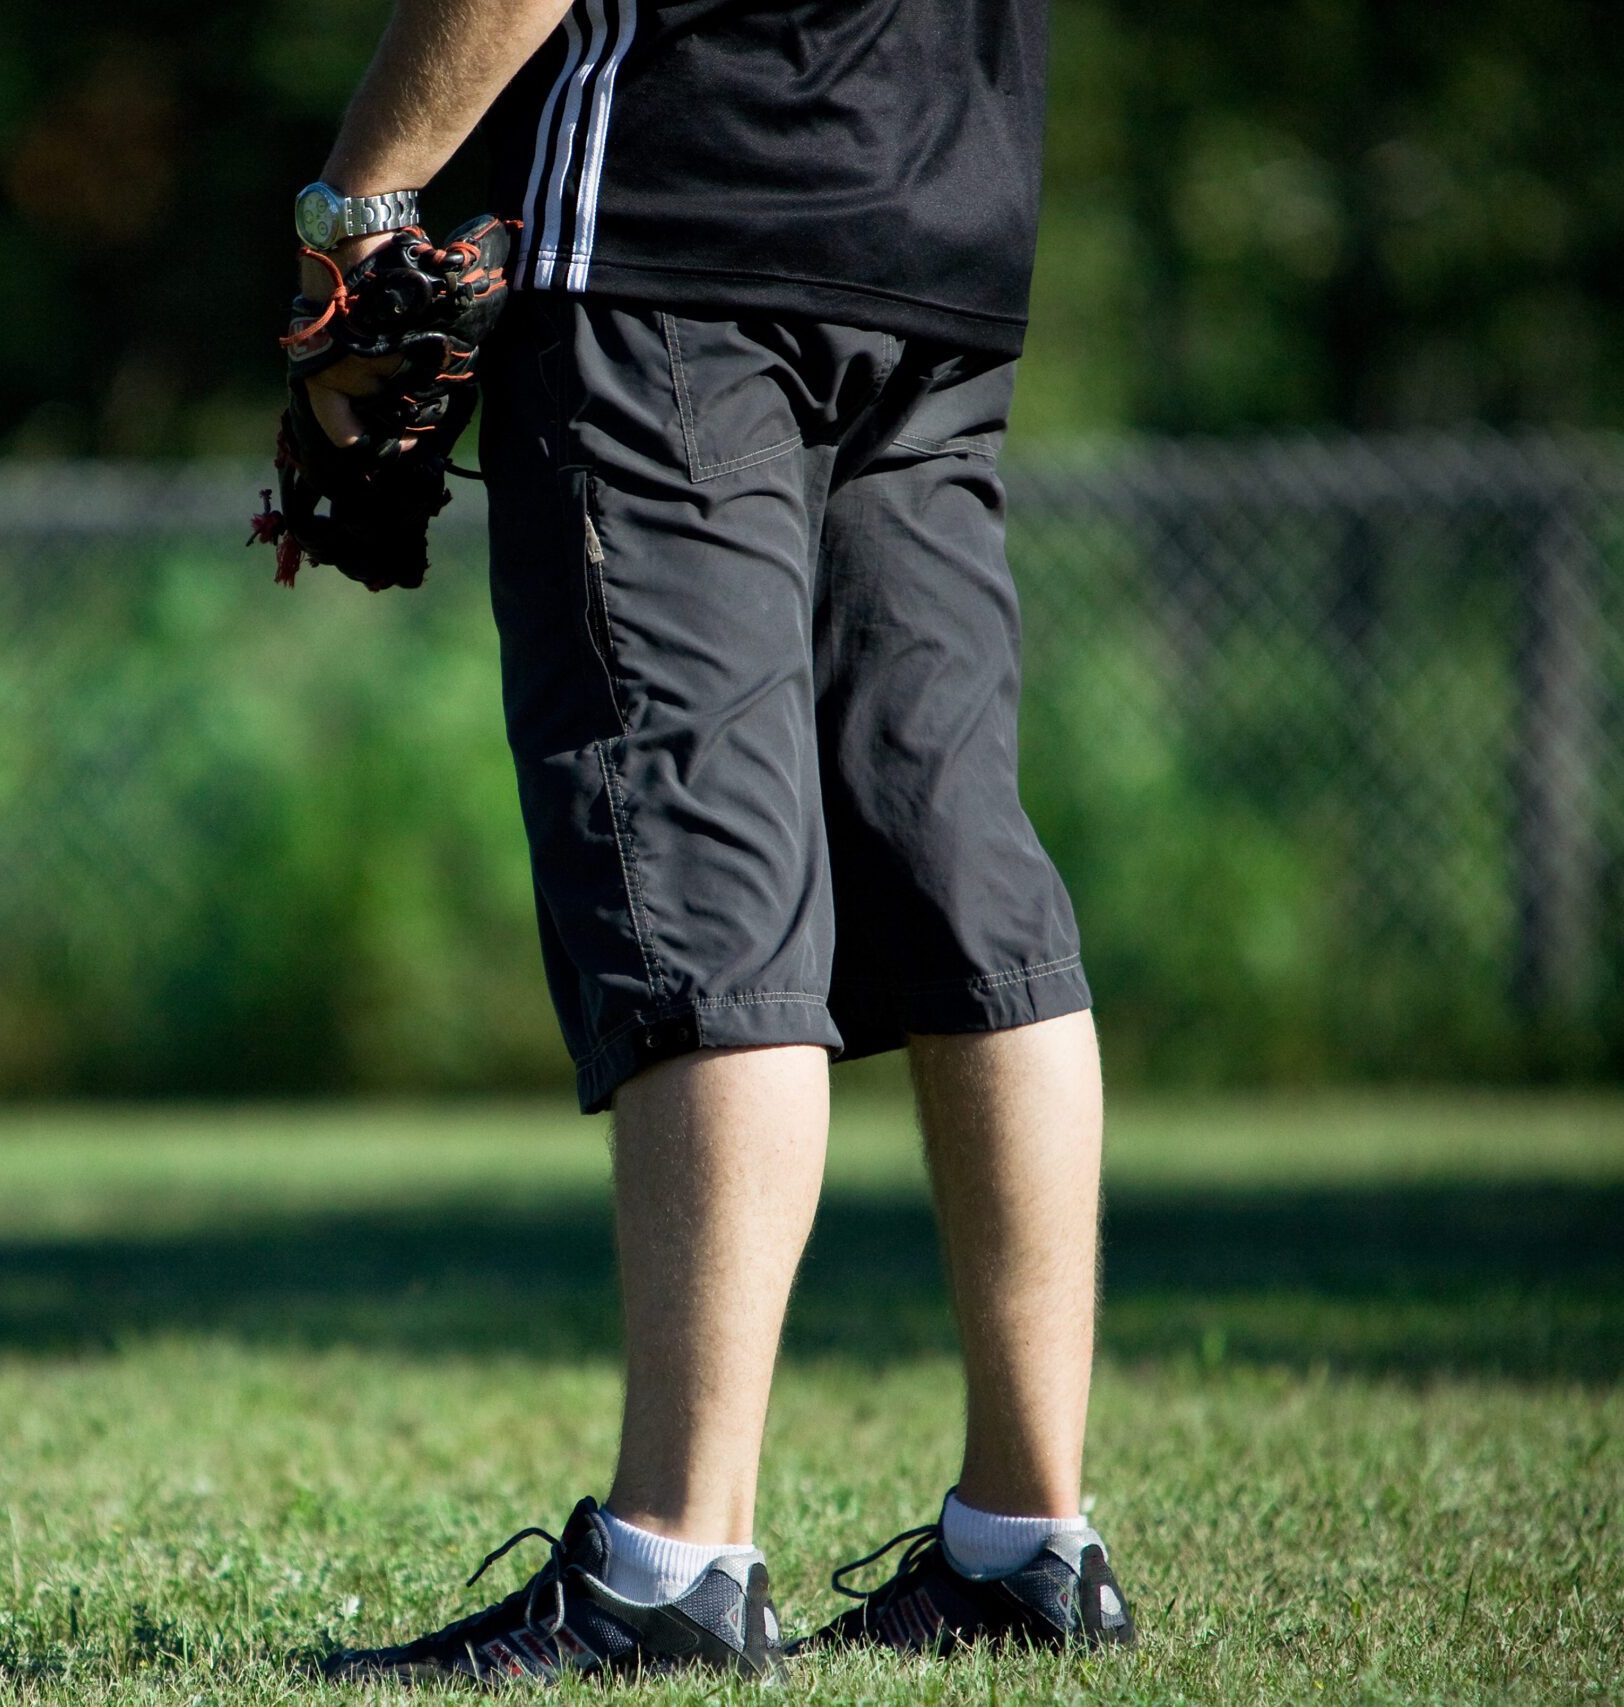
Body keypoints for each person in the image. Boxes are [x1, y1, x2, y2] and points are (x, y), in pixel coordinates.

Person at [288, 0, 1140, 1683]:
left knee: (694, 880)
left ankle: (672, 1564)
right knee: (957, 855)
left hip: (684, 223)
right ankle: (1027, 1540)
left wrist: (357, 206)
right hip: (949, 222)